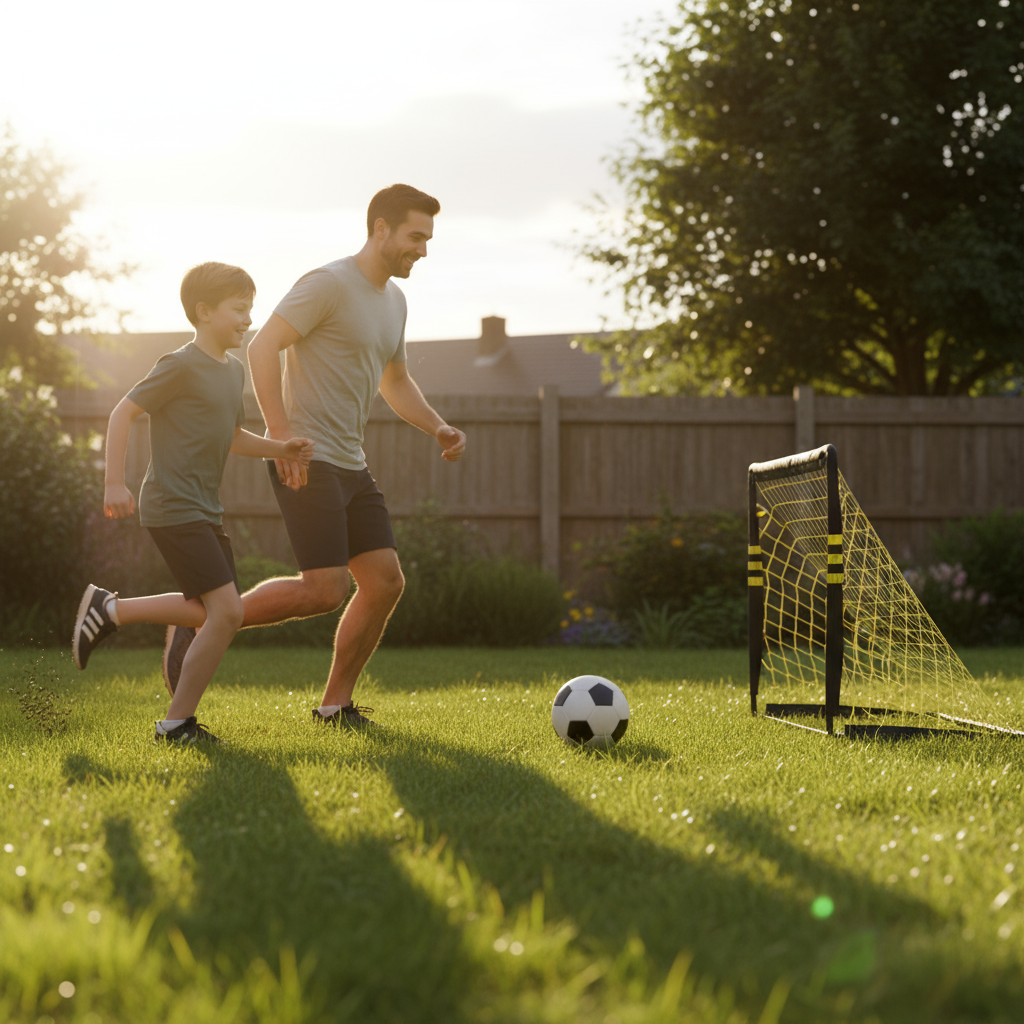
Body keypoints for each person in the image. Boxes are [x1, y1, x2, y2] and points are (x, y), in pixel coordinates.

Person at [163, 184, 466, 729]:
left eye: (427, 239)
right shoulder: (327, 284)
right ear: (380, 229)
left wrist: (438, 426)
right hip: (307, 457)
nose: (422, 250)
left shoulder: (394, 302)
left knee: (385, 582)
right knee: (325, 590)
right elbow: (262, 346)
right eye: (415, 237)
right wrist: (279, 434)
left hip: (352, 462)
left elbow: (395, 381)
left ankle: (335, 706)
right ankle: (204, 619)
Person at [72, 262, 314, 743]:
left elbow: (230, 436)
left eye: (250, 309)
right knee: (226, 612)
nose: (248, 320)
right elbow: (123, 412)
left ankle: (110, 611)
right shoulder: (179, 365)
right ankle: (176, 722)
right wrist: (113, 483)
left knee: (212, 612)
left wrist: (279, 447)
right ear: (203, 312)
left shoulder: (233, 371)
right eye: (239, 310)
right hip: (172, 505)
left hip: (205, 509)